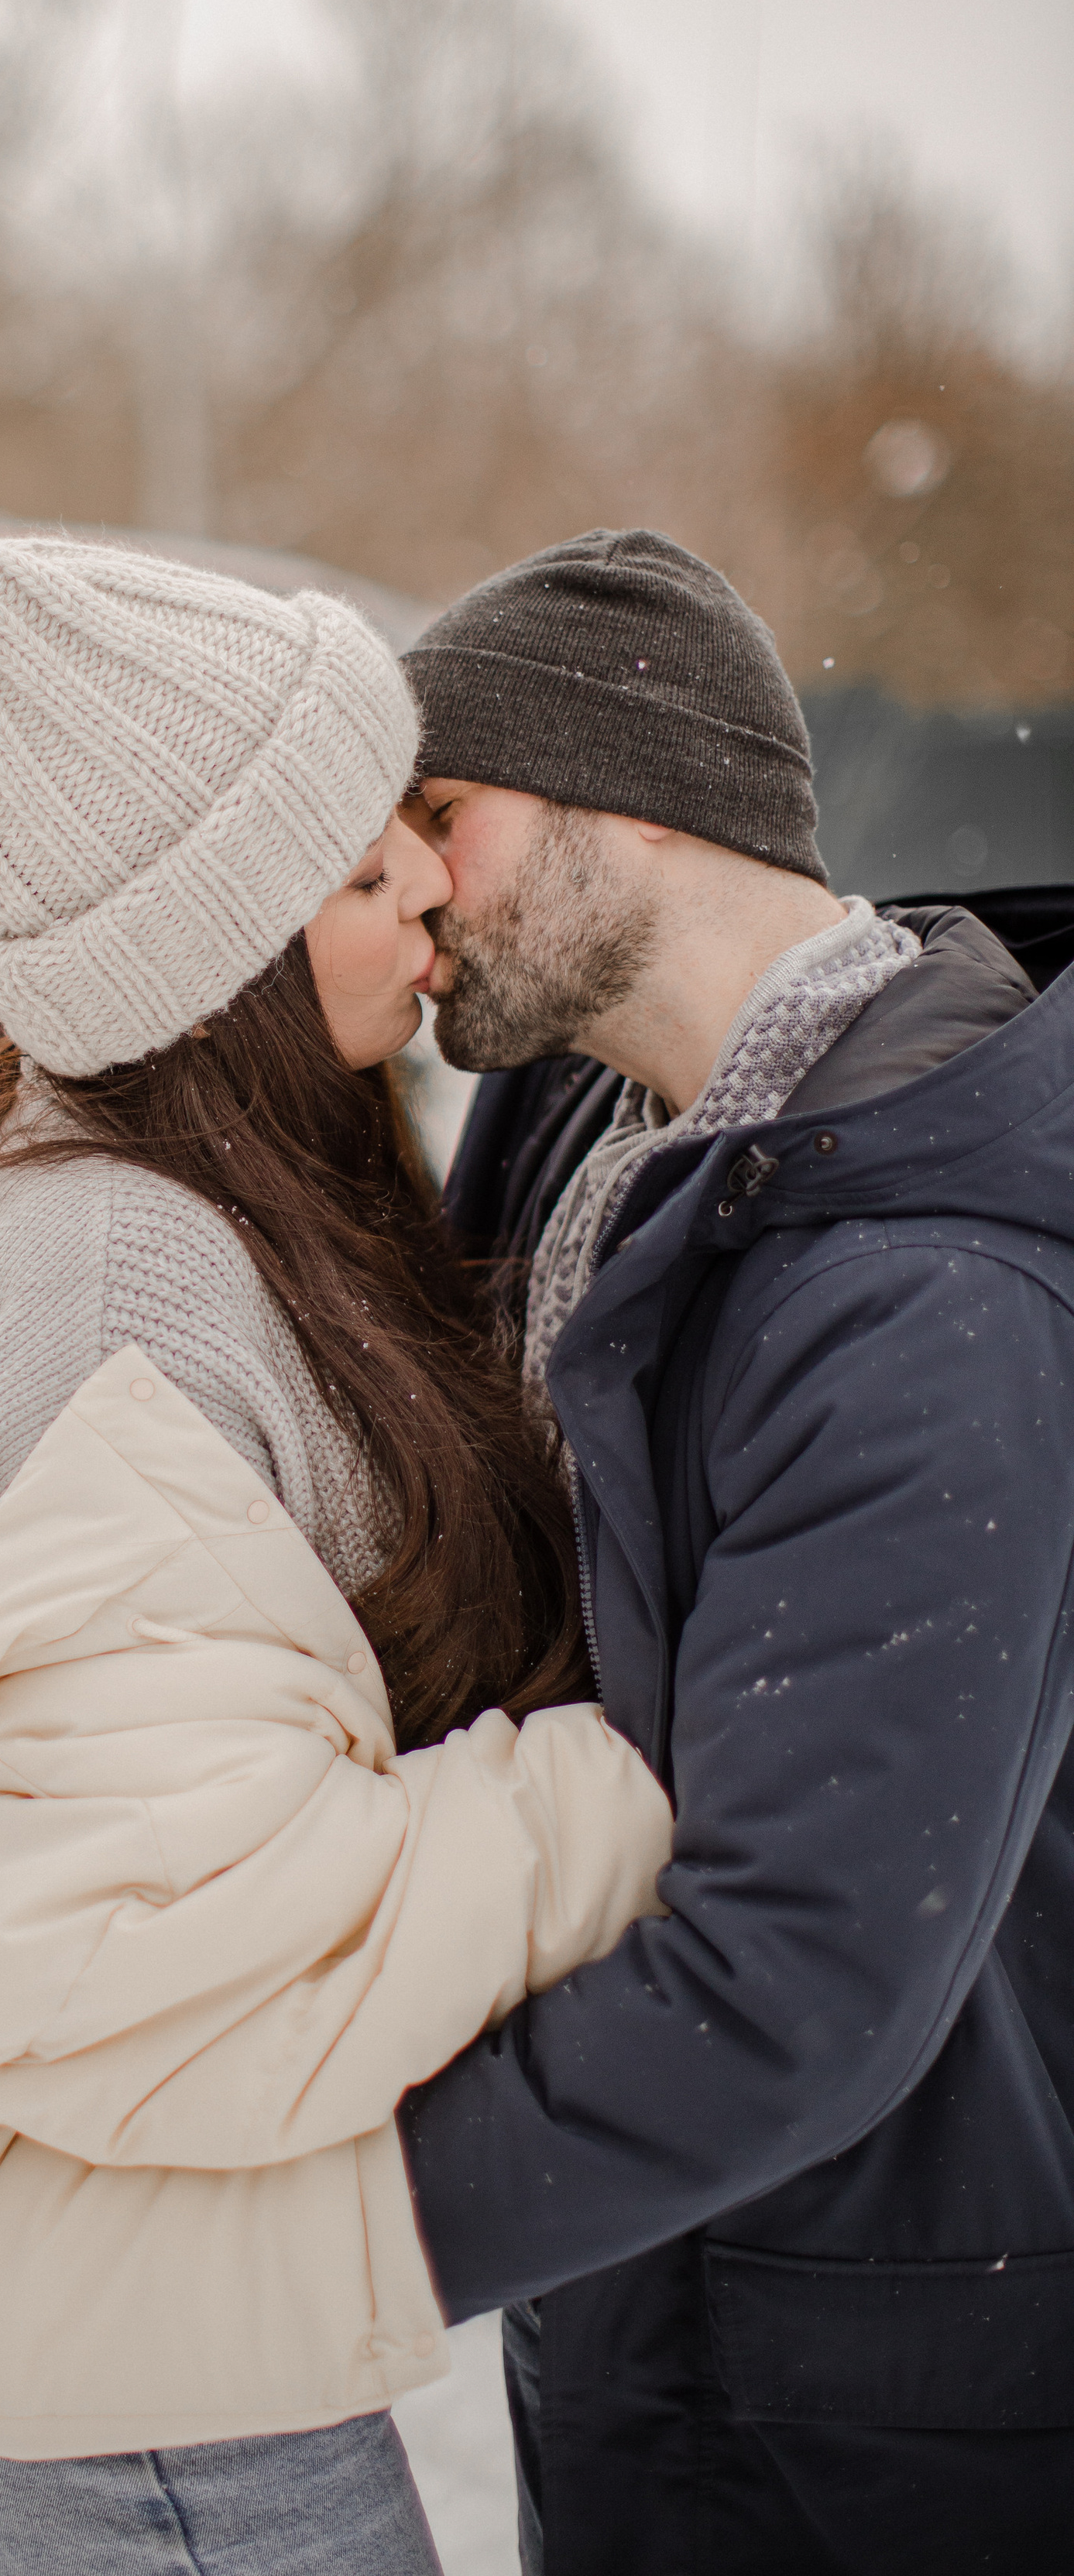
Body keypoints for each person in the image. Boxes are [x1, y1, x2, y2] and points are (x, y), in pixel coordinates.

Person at [0, 536, 674, 2576]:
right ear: (223, 962)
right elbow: (161, 1928)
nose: (435, 886)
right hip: (97, 2339)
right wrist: (642, 1788)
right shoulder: (126, 1291)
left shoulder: (247, 1191)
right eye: (367, 873)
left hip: (132, 2265)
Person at [393, 527, 1074, 2576]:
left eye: (444, 813)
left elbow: (798, 1972)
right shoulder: (591, 1172)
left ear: (630, 791)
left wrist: (299, 2238)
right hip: (638, 2327)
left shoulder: (927, 1290)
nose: (411, 883)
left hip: (874, 2412)